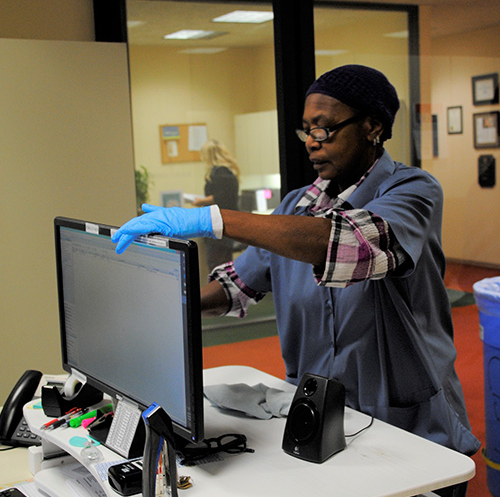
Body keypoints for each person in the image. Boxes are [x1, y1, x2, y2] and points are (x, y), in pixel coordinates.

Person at [112, 65, 479, 492]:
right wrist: (154, 305)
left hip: (407, 427)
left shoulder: (413, 191)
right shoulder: (296, 205)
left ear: (372, 126)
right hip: (318, 424)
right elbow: (237, 285)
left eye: (323, 130)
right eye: (305, 130)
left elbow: (349, 242)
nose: (310, 143)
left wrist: (213, 219)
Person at [191, 139, 240, 270]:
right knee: (219, 265)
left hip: (220, 227)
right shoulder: (225, 172)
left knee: (218, 267)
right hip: (222, 225)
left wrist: (201, 201)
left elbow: (222, 197)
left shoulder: (221, 173)